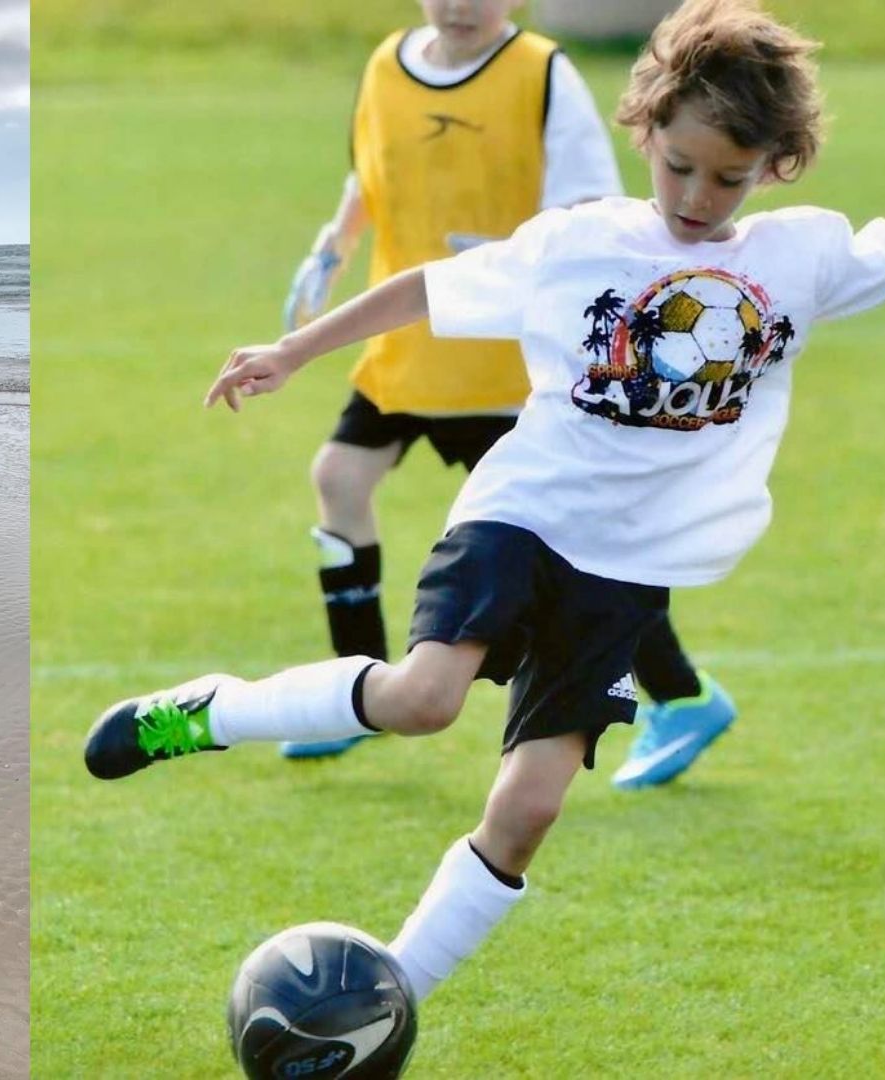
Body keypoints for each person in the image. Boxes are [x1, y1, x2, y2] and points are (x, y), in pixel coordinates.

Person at [84, 0, 885, 1011]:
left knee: (529, 809)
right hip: (526, 512)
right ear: (645, 131)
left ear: (779, 164)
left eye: (728, 177)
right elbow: (429, 287)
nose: (696, 194)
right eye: (679, 164)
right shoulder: (581, 243)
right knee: (423, 700)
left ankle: (394, 997)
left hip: (632, 567)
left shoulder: (798, 257)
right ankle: (211, 711)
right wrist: (293, 350)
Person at [276, 0, 731, 778]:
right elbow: (371, 167)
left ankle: (683, 696)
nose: (460, 5)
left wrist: (508, 257)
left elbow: (590, 208)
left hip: (504, 357)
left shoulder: (544, 75)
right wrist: (333, 243)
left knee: (573, 544)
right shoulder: (388, 62)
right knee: (339, 478)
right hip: (410, 344)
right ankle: (353, 687)